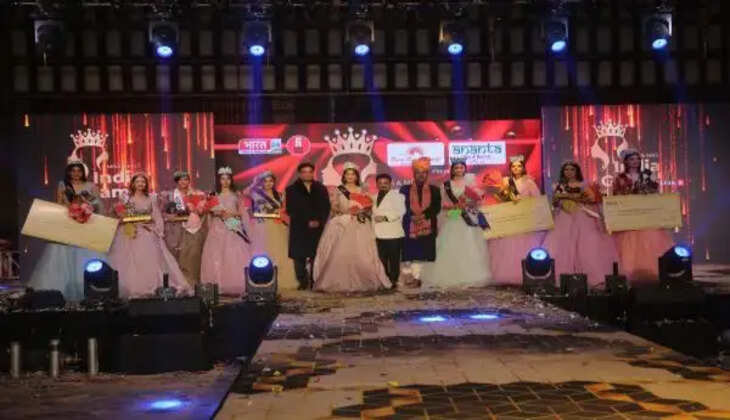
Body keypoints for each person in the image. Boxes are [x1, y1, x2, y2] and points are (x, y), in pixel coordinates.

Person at [27, 160, 107, 301]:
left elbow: (98, 204)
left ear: (83, 172)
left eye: (79, 170)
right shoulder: (63, 185)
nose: (76, 173)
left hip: (85, 224)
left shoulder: (91, 185)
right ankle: (61, 290)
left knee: (84, 256)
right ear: (69, 172)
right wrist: (71, 209)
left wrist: (87, 208)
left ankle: (87, 287)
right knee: (63, 255)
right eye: (73, 170)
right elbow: (59, 203)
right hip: (68, 223)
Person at [108, 173, 190, 298]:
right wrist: (125, 218)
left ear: (146, 184)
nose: (140, 184)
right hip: (132, 232)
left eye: (143, 182)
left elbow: (156, 215)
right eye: (138, 181)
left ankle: (153, 286)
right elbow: (125, 215)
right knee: (132, 262)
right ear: (133, 184)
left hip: (148, 231)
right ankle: (134, 287)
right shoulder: (127, 198)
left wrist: (158, 230)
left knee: (151, 260)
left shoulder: (151, 198)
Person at [313, 163, 391, 292]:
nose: (350, 176)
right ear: (344, 176)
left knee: (363, 254)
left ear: (356, 176)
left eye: (353, 174)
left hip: (360, 223)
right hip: (343, 222)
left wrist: (361, 210)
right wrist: (346, 211)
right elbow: (334, 206)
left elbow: (369, 207)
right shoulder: (339, 189)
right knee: (340, 253)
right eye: (348, 174)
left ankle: (365, 279)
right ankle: (338, 280)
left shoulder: (363, 189)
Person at [541, 162, 618, 288]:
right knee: (563, 245)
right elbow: (555, 203)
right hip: (564, 216)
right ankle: (563, 276)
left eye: (572, 169)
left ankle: (589, 275)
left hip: (581, 216)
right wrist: (558, 200)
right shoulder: (559, 185)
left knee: (585, 245)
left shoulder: (583, 184)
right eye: (566, 170)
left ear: (577, 171)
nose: (569, 172)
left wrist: (568, 196)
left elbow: (591, 199)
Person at [421, 159, 492, 289]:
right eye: (456, 168)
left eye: (461, 167)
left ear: (465, 169)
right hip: (453, 216)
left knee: (469, 246)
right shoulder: (446, 185)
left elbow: (478, 201)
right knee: (449, 245)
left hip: (468, 218)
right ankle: (448, 276)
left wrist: (469, 203)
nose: (459, 170)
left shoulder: (471, 182)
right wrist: (453, 206)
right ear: (452, 170)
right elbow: (441, 204)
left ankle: (470, 276)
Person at [611, 149, 674, 285]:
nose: (635, 161)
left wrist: (647, 192)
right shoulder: (620, 178)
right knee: (628, 244)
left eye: (637, 159)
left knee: (649, 242)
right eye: (632, 159)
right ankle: (629, 271)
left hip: (645, 215)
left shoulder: (647, 175)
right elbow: (615, 195)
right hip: (628, 215)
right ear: (626, 161)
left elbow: (655, 191)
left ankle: (651, 270)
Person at [487, 156, 545, 285]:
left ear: (523, 168)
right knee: (506, 247)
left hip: (523, 217)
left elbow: (536, 199)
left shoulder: (529, 182)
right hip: (509, 217)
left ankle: (524, 273)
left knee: (523, 245)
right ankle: (505, 274)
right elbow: (499, 197)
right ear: (510, 168)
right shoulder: (505, 181)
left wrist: (523, 203)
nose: (516, 168)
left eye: (519, 166)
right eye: (514, 166)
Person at [200, 167, 252, 295]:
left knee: (233, 253)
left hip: (232, 224)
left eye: (228, 179)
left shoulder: (236, 195)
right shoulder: (213, 196)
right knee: (216, 253)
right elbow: (208, 212)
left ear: (231, 180)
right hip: (217, 226)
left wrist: (230, 214)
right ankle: (217, 283)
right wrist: (213, 212)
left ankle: (234, 282)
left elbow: (242, 213)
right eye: (223, 179)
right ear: (219, 181)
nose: (225, 181)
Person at [244, 170, 298, 291]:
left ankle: (281, 280)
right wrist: (256, 181)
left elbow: (284, 210)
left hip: (276, 226)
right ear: (262, 182)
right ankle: (261, 278)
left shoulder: (280, 195)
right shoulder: (256, 193)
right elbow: (245, 192)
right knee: (263, 251)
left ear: (274, 182)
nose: (268, 183)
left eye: (271, 181)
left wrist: (281, 213)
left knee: (279, 251)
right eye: (265, 181)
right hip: (261, 225)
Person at [285, 162, 331, 289]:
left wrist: (319, 221)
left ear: (313, 173)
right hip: (299, 227)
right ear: (299, 174)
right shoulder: (291, 189)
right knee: (299, 256)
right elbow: (291, 209)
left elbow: (326, 207)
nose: (307, 174)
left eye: (310, 172)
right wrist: (307, 221)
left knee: (316, 255)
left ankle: (314, 280)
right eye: (304, 172)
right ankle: (302, 281)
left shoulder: (321, 188)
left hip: (317, 227)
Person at [159, 170, 208, 287]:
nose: (183, 182)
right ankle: (177, 284)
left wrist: (198, 209)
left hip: (192, 229)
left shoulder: (197, 194)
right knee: (175, 255)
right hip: (174, 229)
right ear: (176, 181)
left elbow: (203, 212)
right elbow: (161, 212)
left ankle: (191, 283)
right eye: (180, 179)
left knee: (192, 256)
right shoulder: (169, 195)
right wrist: (167, 216)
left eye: (186, 179)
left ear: (189, 181)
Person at [400, 157, 441, 285]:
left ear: (427, 174)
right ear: (414, 174)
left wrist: (422, 216)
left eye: (424, 172)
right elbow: (401, 206)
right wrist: (411, 216)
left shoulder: (434, 189)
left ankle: (423, 279)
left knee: (425, 254)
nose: (421, 175)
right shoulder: (404, 189)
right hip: (409, 225)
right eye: (418, 172)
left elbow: (436, 208)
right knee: (410, 255)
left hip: (428, 225)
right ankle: (410, 279)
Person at [371, 173, 406, 288]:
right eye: (380, 183)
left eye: (385, 183)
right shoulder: (373, 197)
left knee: (394, 260)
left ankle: (393, 281)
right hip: (377, 233)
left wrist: (385, 218)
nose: (383, 185)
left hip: (393, 234)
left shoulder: (398, 196)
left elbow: (400, 211)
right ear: (377, 184)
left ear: (391, 184)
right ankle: (385, 281)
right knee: (381, 260)